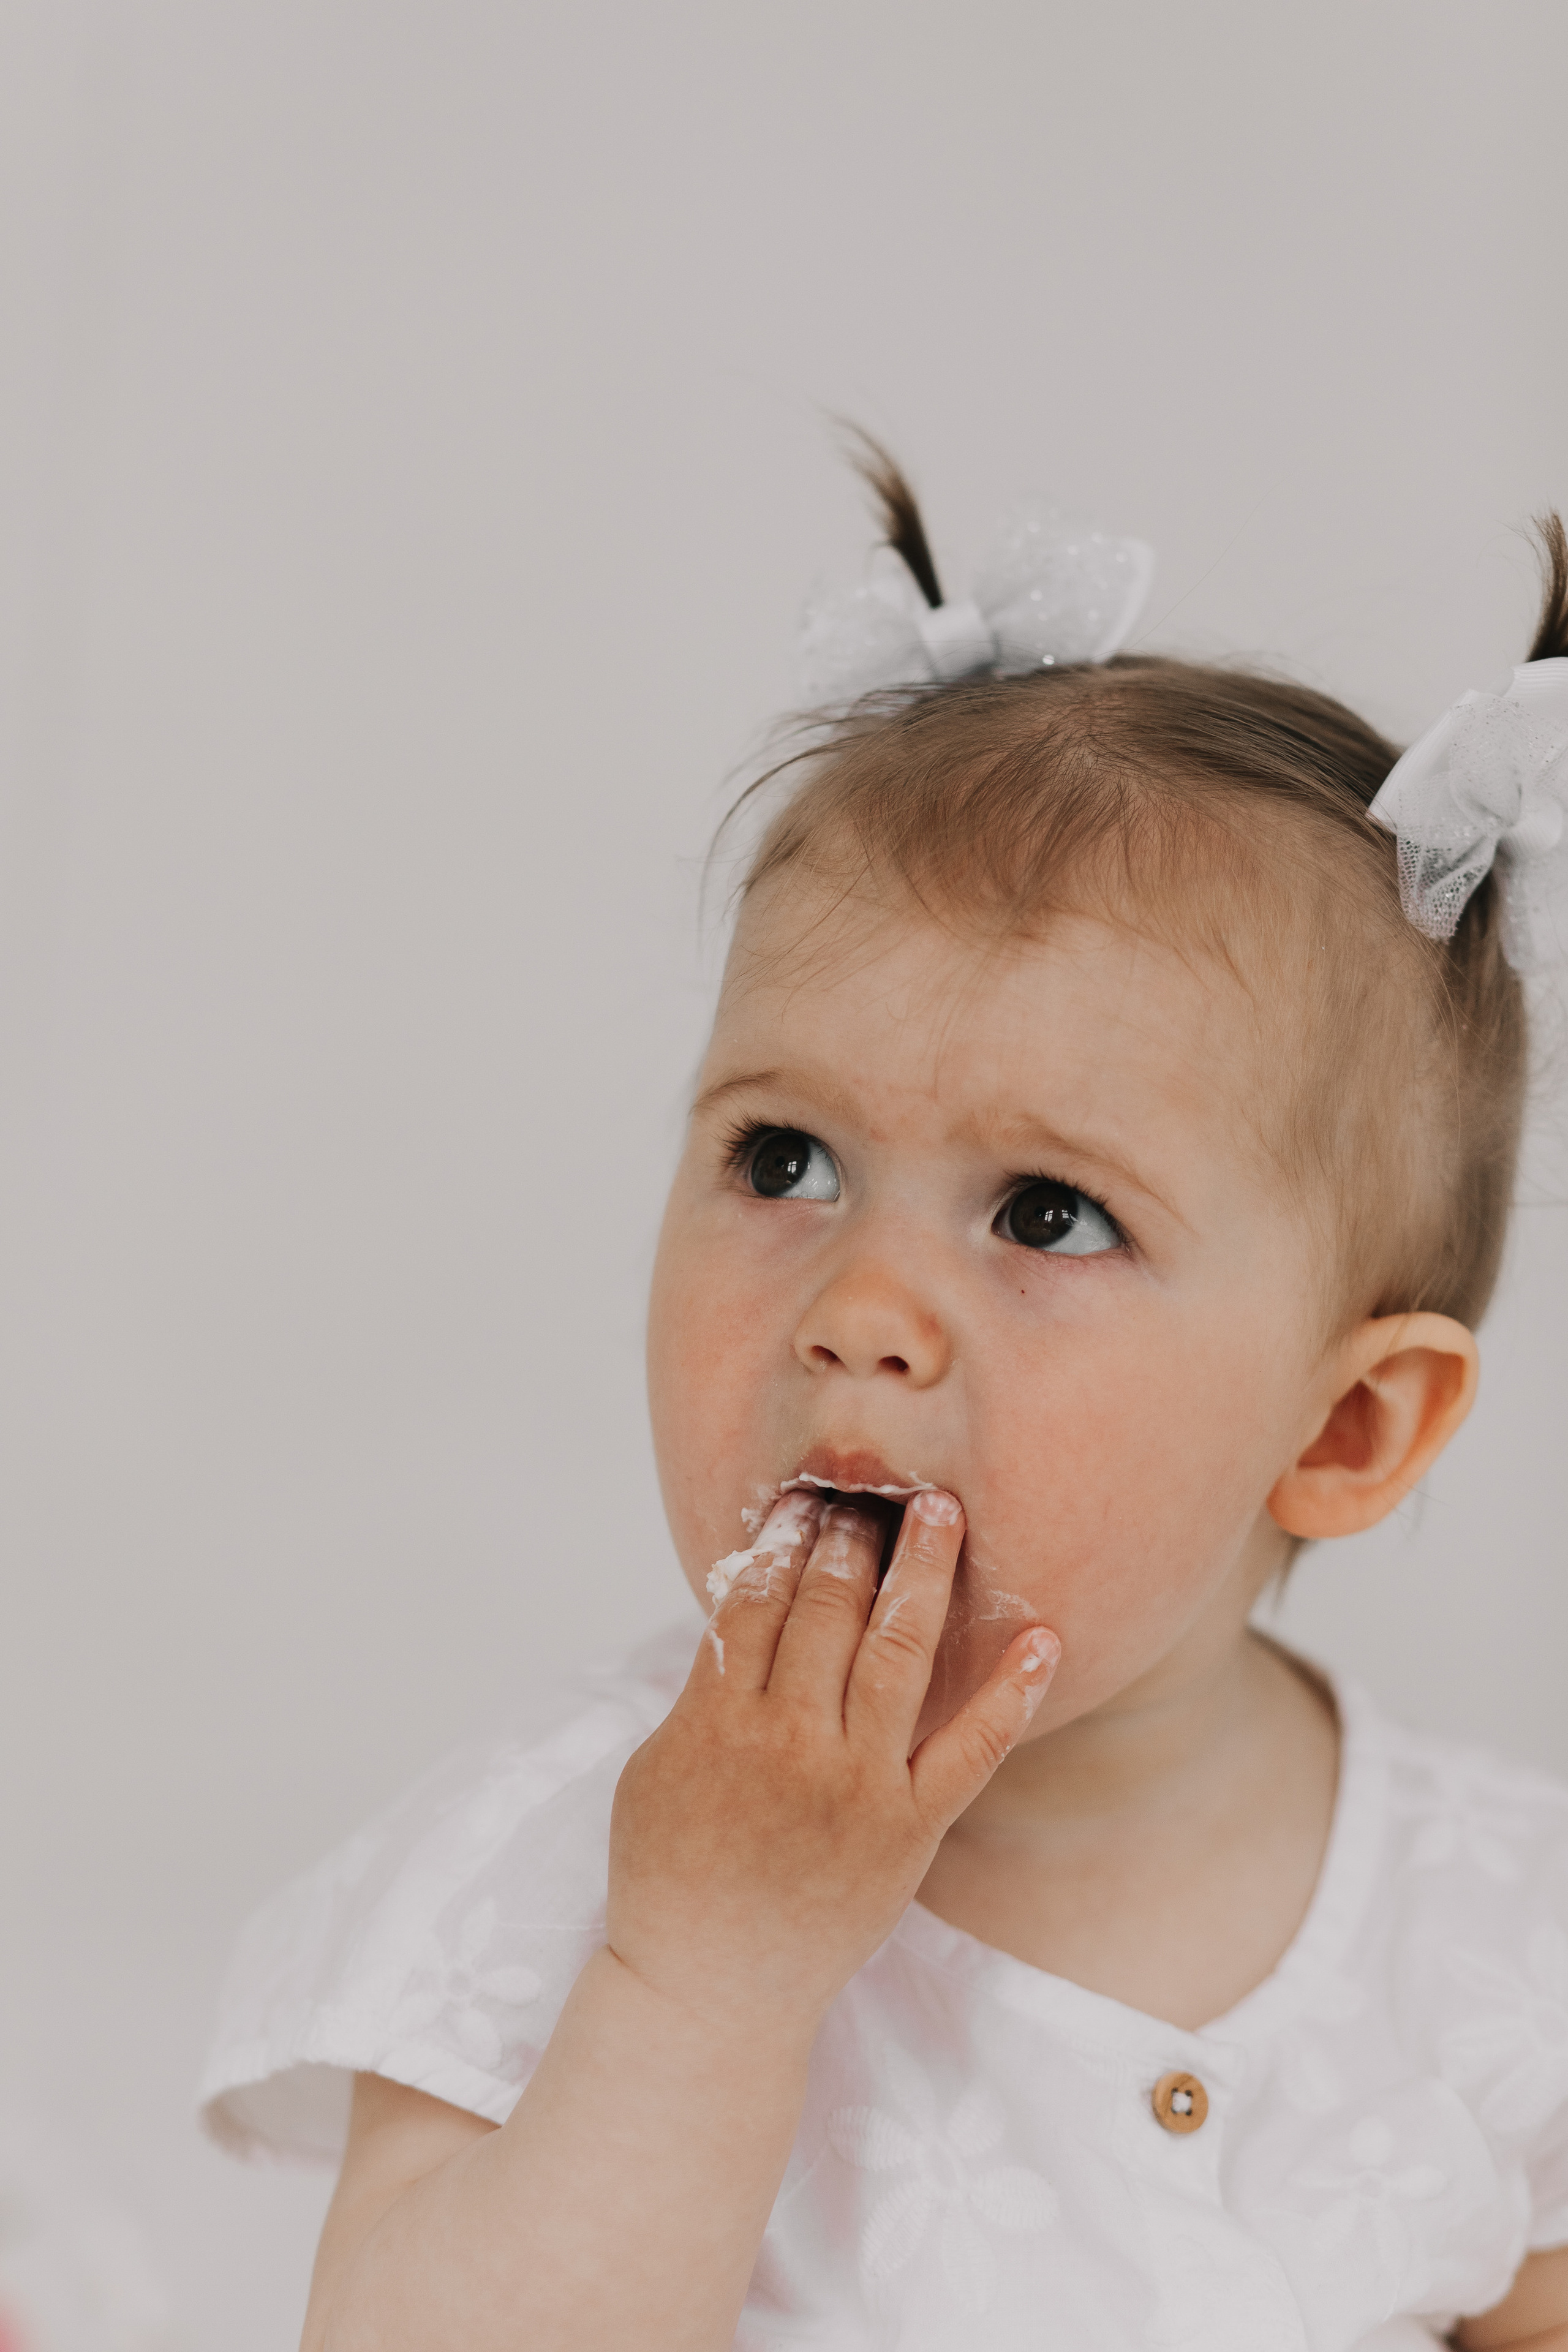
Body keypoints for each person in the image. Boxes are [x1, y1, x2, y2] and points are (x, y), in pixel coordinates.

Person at [201, 438, 1568, 2351]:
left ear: (1343, 1433)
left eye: (1046, 1211)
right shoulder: (574, 1856)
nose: (861, 1309)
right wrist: (706, 1973)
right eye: (783, 1163)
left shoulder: (1500, 1926)